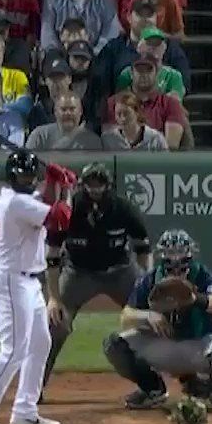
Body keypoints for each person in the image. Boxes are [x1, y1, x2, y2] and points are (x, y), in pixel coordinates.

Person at [0, 152, 76, 424]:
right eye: (23, 176)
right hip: (10, 281)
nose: (28, 180)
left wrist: (52, 181)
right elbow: (62, 217)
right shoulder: (16, 202)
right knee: (13, 350)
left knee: (40, 341)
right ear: (12, 177)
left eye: (31, 176)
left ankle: (25, 410)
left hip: (27, 282)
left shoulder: (20, 198)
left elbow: (45, 200)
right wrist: (67, 189)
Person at [103, 229, 212, 412]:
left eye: (180, 251)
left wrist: (194, 299)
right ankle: (152, 389)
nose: (176, 258)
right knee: (114, 345)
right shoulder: (152, 278)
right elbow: (126, 315)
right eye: (170, 252)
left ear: (190, 252)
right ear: (162, 254)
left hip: (199, 344)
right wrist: (148, 315)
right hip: (163, 345)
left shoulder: (201, 274)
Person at [42, 161, 151, 387]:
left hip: (120, 271)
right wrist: (53, 298)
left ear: (108, 185)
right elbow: (52, 255)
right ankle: (35, 387)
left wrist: (146, 282)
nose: (95, 190)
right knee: (54, 323)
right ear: (82, 186)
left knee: (151, 317)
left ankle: (151, 383)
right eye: (90, 184)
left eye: (100, 184)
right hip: (78, 273)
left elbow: (143, 247)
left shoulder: (123, 208)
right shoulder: (69, 209)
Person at [103, 54, 190, 147]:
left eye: (149, 70)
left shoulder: (170, 104)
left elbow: (171, 147)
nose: (144, 75)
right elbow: (110, 142)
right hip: (121, 158)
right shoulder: (114, 102)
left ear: (157, 74)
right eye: (139, 70)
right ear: (131, 74)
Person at [25, 91, 102, 148]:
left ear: (80, 111)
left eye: (72, 109)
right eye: (63, 109)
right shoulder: (39, 135)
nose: (68, 113)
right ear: (55, 112)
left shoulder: (93, 140)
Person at [102, 88, 170, 147]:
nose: (123, 118)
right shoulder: (108, 139)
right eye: (118, 114)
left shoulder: (156, 139)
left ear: (137, 112)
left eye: (127, 114)